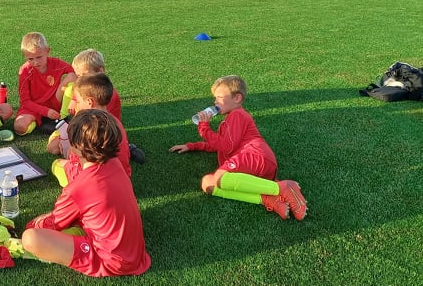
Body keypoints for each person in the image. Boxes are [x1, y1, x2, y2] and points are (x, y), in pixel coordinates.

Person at [21, 109, 151, 277]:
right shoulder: (114, 164)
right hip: (135, 254)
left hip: (110, 261)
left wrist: (34, 224)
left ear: (75, 148)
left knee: (31, 238)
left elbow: (55, 223)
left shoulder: (80, 188)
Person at [168, 75, 308, 220]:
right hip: (252, 170)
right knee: (208, 183)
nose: (215, 101)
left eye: (219, 97)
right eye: (214, 98)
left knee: (220, 177)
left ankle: (282, 188)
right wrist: (191, 146)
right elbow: (219, 145)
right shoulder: (229, 120)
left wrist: (204, 128)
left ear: (237, 98)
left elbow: (226, 146)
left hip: (257, 156)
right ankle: (268, 198)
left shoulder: (238, 115)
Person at [50, 73, 131, 187]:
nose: (75, 105)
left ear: (89, 102)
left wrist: (66, 146)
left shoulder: (86, 125)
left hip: (94, 181)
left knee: (57, 164)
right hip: (121, 177)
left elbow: (76, 157)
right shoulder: (114, 122)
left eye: (77, 101)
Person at [47, 49, 121, 156]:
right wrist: (73, 100)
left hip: (98, 134)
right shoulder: (84, 87)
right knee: (53, 148)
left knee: (68, 153)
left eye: (84, 75)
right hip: (83, 127)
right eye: (78, 76)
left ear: (100, 71)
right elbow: (77, 91)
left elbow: (97, 126)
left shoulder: (106, 95)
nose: (79, 80)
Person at [13, 32, 76, 135]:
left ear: (47, 51)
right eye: (30, 59)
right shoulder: (25, 71)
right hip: (34, 108)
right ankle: (39, 124)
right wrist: (45, 112)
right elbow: (25, 101)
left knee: (72, 78)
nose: (35, 62)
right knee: (20, 127)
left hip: (55, 105)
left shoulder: (57, 64)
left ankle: (63, 117)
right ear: (25, 56)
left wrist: (71, 96)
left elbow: (75, 72)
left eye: (39, 57)